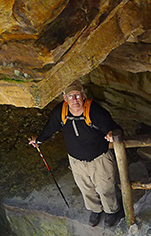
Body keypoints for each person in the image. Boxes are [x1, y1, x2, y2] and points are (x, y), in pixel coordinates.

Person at [29, 80, 123, 227]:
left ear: (83, 95)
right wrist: (39, 140)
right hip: (76, 160)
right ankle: (95, 209)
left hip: (99, 158)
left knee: (105, 187)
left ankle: (112, 211)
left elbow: (113, 127)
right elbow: (50, 128)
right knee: (86, 187)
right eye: (71, 96)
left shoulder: (95, 111)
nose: (74, 100)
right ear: (65, 98)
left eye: (77, 96)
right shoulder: (60, 112)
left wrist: (111, 134)